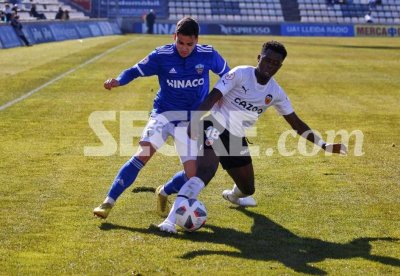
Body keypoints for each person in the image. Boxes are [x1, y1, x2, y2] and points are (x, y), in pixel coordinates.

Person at [157, 41, 347, 233]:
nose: (269, 66)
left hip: (236, 139)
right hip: (215, 127)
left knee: (248, 189)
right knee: (204, 173)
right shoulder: (240, 74)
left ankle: (230, 195)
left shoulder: (275, 93)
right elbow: (212, 97)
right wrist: (195, 120)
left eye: (275, 63)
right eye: (267, 60)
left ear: (280, 66)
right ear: (259, 58)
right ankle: (170, 221)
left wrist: (325, 145)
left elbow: (296, 124)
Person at [93, 17, 230, 219]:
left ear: (197, 40)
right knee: (143, 153)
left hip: (190, 120)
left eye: (189, 44)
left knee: (193, 176)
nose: (184, 48)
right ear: (174, 37)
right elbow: (134, 71)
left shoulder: (208, 54)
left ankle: (164, 190)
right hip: (163, 114)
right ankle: (108, 202)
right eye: (180, 42)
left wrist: (221, 98)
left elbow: (228, 76)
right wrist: (118, 81)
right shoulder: (161, 55)